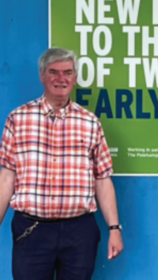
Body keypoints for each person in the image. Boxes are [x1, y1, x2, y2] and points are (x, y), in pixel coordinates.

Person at [0, 48, 123, 280]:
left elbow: (102, 180)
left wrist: (114, 229)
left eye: (67, 72)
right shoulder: (17, 119)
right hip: (32, 230)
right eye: (53, 72)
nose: (61, 79)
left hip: (80, 232)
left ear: (75, 77)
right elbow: (6, 177)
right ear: (42, 75)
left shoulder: (90, 123)